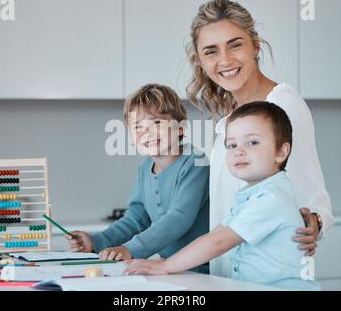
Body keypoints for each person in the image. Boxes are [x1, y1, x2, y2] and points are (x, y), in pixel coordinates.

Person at [185, 0, 334, 277]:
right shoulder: (231, 118)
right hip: (230, 274)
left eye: (235, 44)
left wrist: (314, 220)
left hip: (267, 277)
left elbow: (313, 196)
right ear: (201, 61)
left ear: (255, 45)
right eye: (211, 51)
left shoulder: (282, 105)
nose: (225, 60)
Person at [125, 101, 320, 290]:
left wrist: (165, 266)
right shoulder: (251, 195)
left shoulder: (272, 198)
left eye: (252, 142)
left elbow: (218, 242)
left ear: (281, 152)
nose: (239, 152)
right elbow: (217, 234)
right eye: (232, 145)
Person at [65, 83, 210, 273]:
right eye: (138, 127)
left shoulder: (195, 162)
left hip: (201, 269)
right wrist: (97, 241)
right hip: (167, 267)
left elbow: (179, 218)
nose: (147, 132)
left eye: (157, 122)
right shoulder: (145, 168)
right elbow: (135, 219)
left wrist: (130, 249)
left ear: (181, 128)